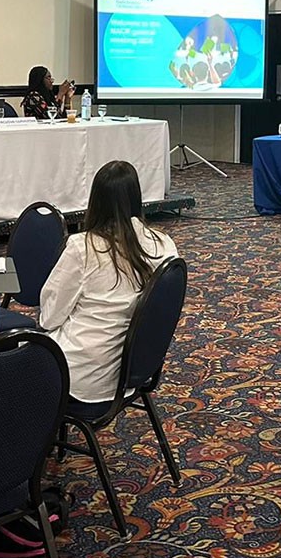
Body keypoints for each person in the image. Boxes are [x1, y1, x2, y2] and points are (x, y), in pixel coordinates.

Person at [39, 160, 178, 402]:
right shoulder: (164, 245)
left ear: (95, 202)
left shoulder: (83, 248)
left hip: (81, 377)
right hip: (134, 370)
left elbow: (49, 318)